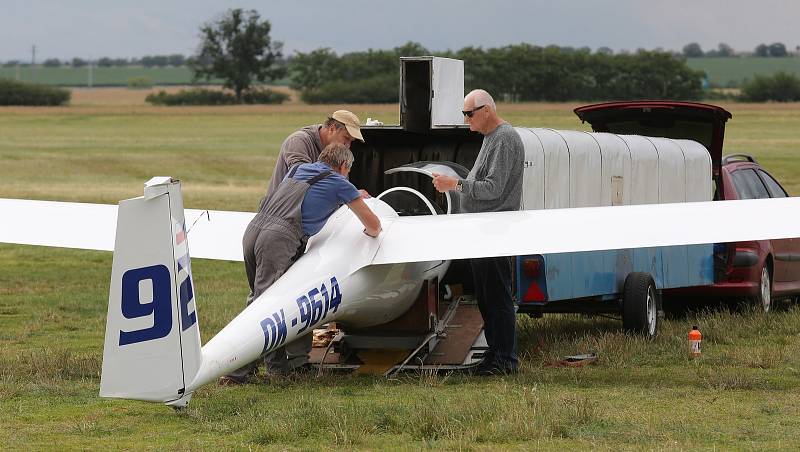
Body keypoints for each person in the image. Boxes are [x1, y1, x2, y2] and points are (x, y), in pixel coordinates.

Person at [220, 143, 382, 385]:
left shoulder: (297, 171)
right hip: (279, 239)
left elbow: (311, 197)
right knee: (269, 308)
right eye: (348, 171)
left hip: (254, 230)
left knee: (259, 299)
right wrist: (368, 231)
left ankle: (270, 369)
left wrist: (346, 193)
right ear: (344, 166)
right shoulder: (340, 183)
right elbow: (374, 224)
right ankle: (241, 373)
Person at [432, 89, 524, 376]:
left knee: (497, 297)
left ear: (486, 110)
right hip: (482, 231)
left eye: (469, 114)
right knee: (486, 297)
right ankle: (495, 356)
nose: (466, 119)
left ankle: (505, 361)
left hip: (494, 231)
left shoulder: (505, 138)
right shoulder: (490, 138)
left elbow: (493, 188)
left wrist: (455, 185)